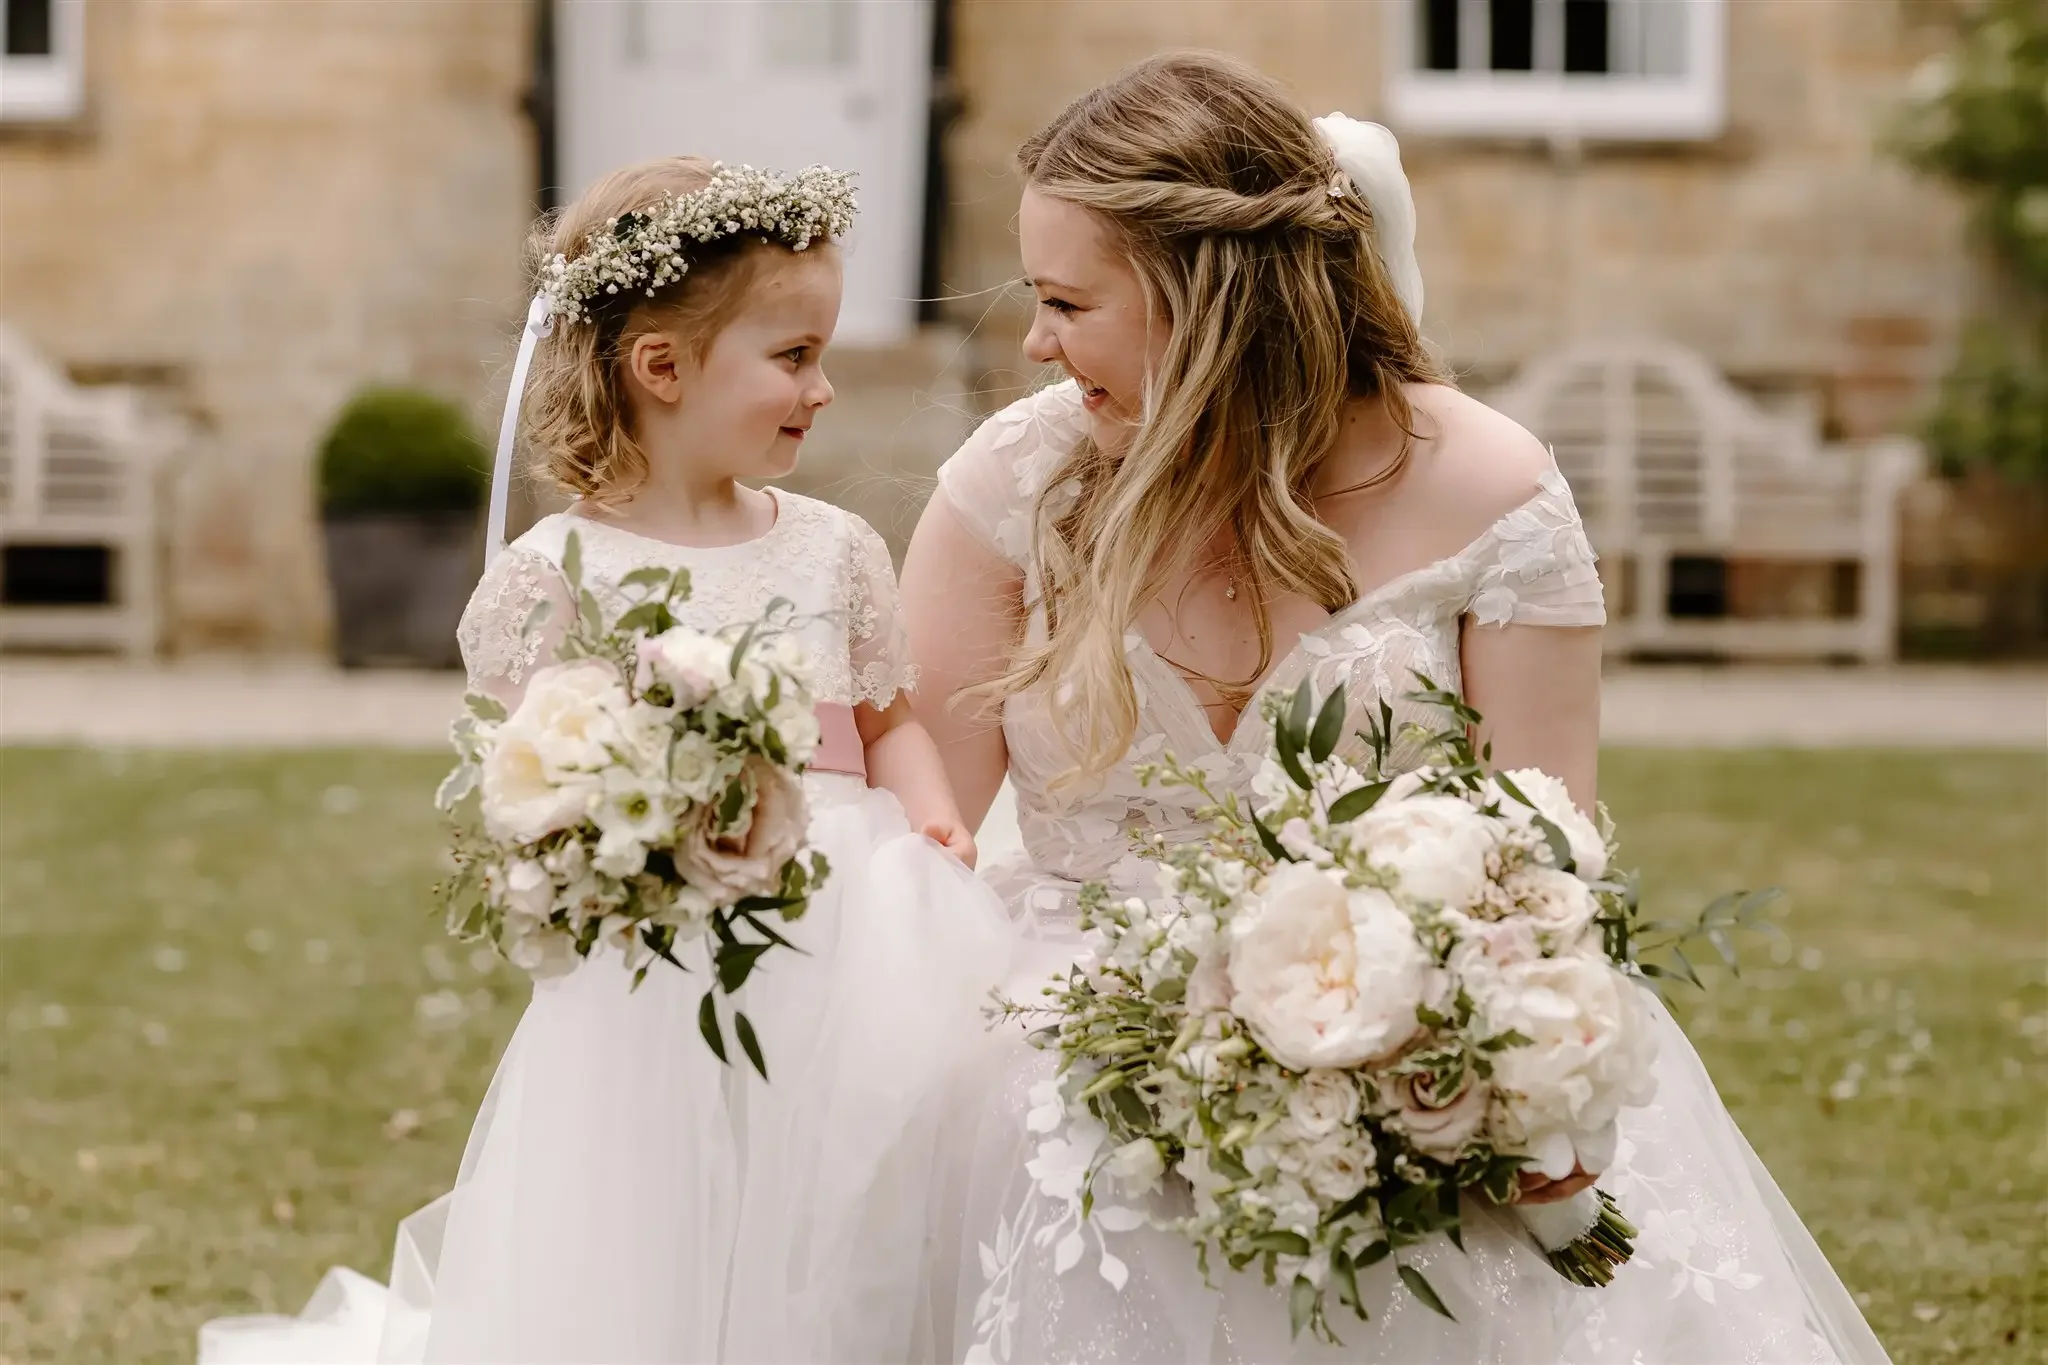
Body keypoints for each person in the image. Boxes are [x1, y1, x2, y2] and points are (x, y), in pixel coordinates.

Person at [904, 51, 1893, 1364]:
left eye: (1067, 302)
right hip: (1060, 1039)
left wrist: (1469, 1065)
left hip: (1394, 1029)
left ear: (1204, 301)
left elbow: (1546, 858)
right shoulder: (1016, 480)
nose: (1035, 342)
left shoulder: (1490, 490)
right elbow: (916, 826)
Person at [198, 154, 1007, 1364]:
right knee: (665, 1205)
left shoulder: (835, 550)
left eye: (824, 355)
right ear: (662, 367)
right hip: (662, 958)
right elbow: (527, 785)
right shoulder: (552, 578)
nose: (824, 388)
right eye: (793, 357)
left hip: (856, 934)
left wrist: (937, 822)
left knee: (841, 1190)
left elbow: (886, 723)